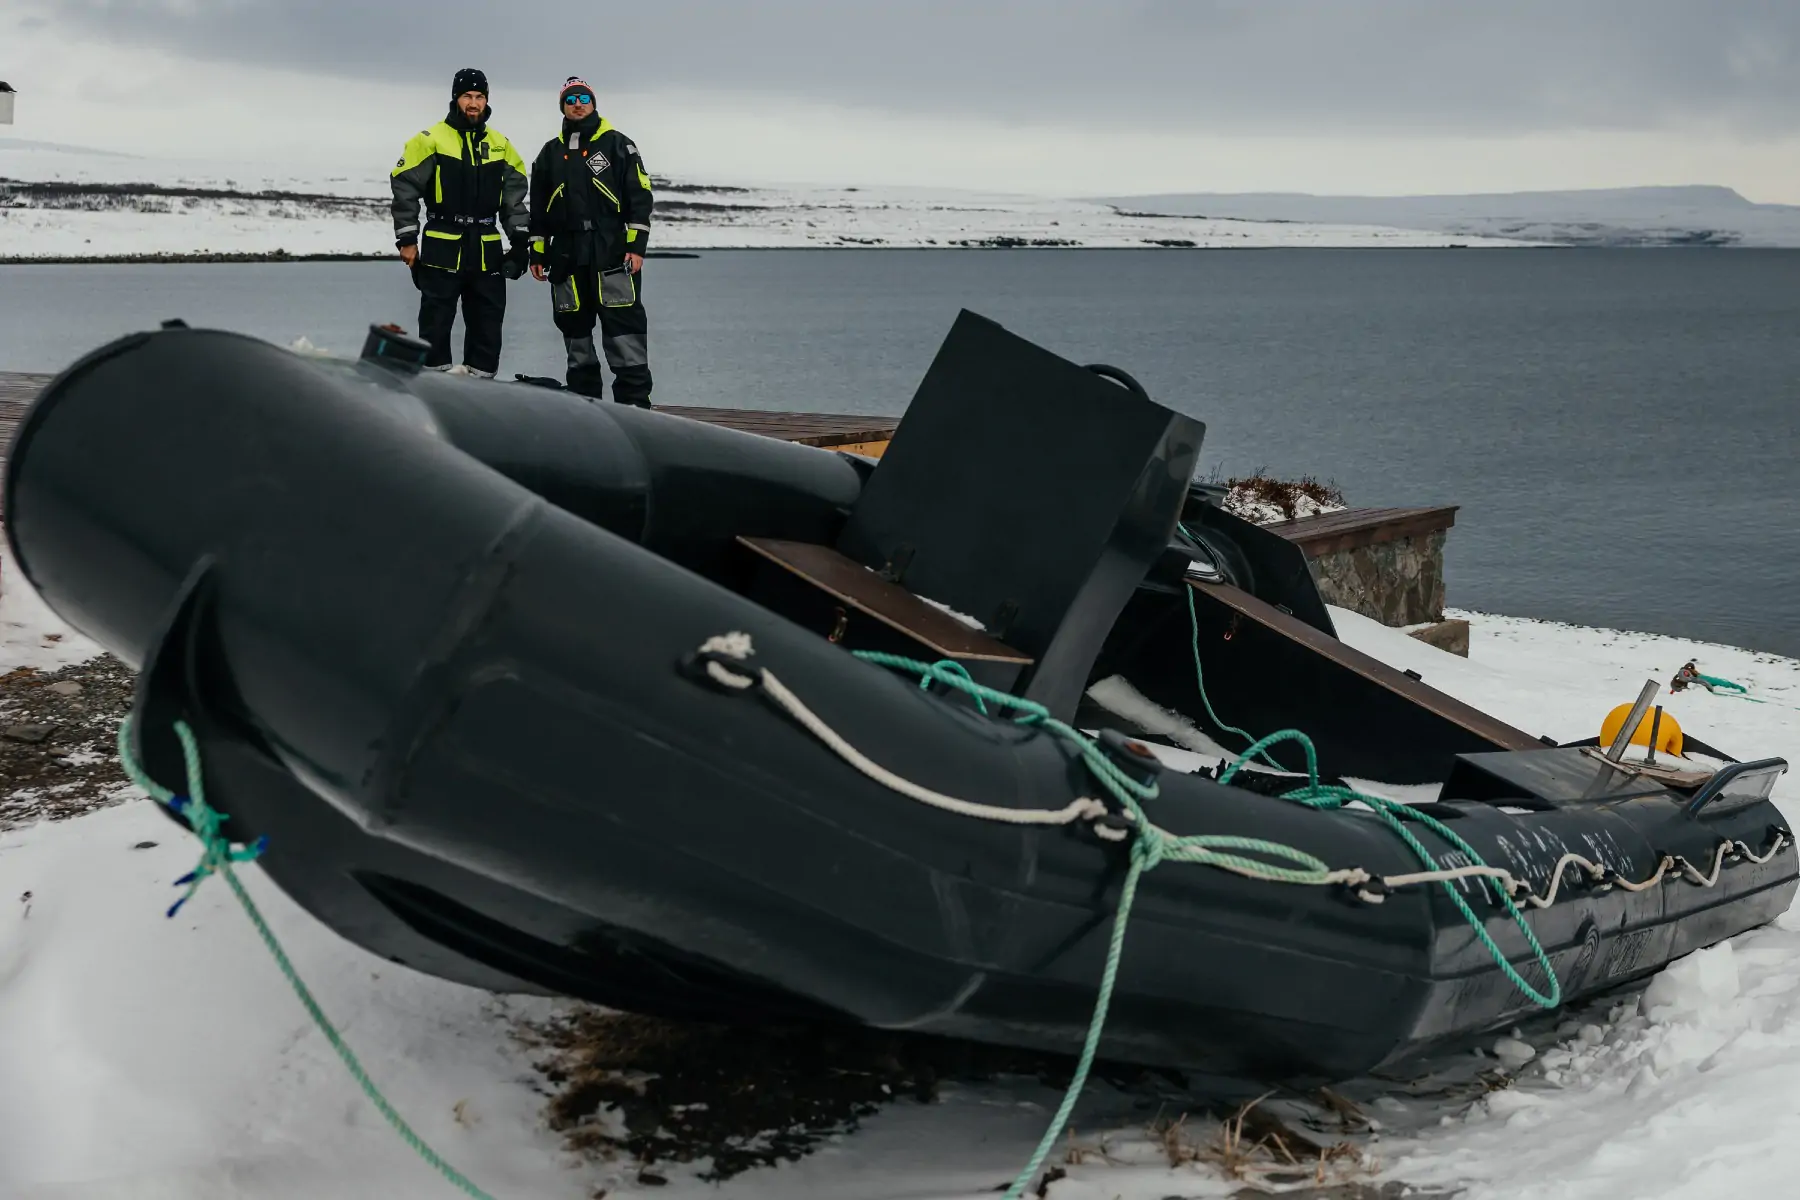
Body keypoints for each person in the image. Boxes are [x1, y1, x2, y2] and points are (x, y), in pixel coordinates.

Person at [389, 68, 531, 377]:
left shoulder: (501, 145)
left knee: (488, 326)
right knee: (435, 325)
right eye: (467, 96)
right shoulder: (429, 140)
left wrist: (520, 244)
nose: (474, 103)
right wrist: (407, 239)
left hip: (486, 248)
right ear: (456, 98)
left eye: (480, 97)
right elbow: (404, 188)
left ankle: (480, 391)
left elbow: (514, 200)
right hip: (443, 245)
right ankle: (433, 389)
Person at [527, 77, 655, 405]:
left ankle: (635, 409)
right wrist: (537, 252)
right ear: (563, 107)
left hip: (611, 251)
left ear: (594, 103)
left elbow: (640, 196)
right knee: (575, 334)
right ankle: (586, 409)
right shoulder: (549, 153)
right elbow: (539, 209)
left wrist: (636, 246)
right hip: (567, 255)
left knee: (624, 332)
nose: (578, 103)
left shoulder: (618, 144)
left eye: (584, 97)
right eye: (571, 100)